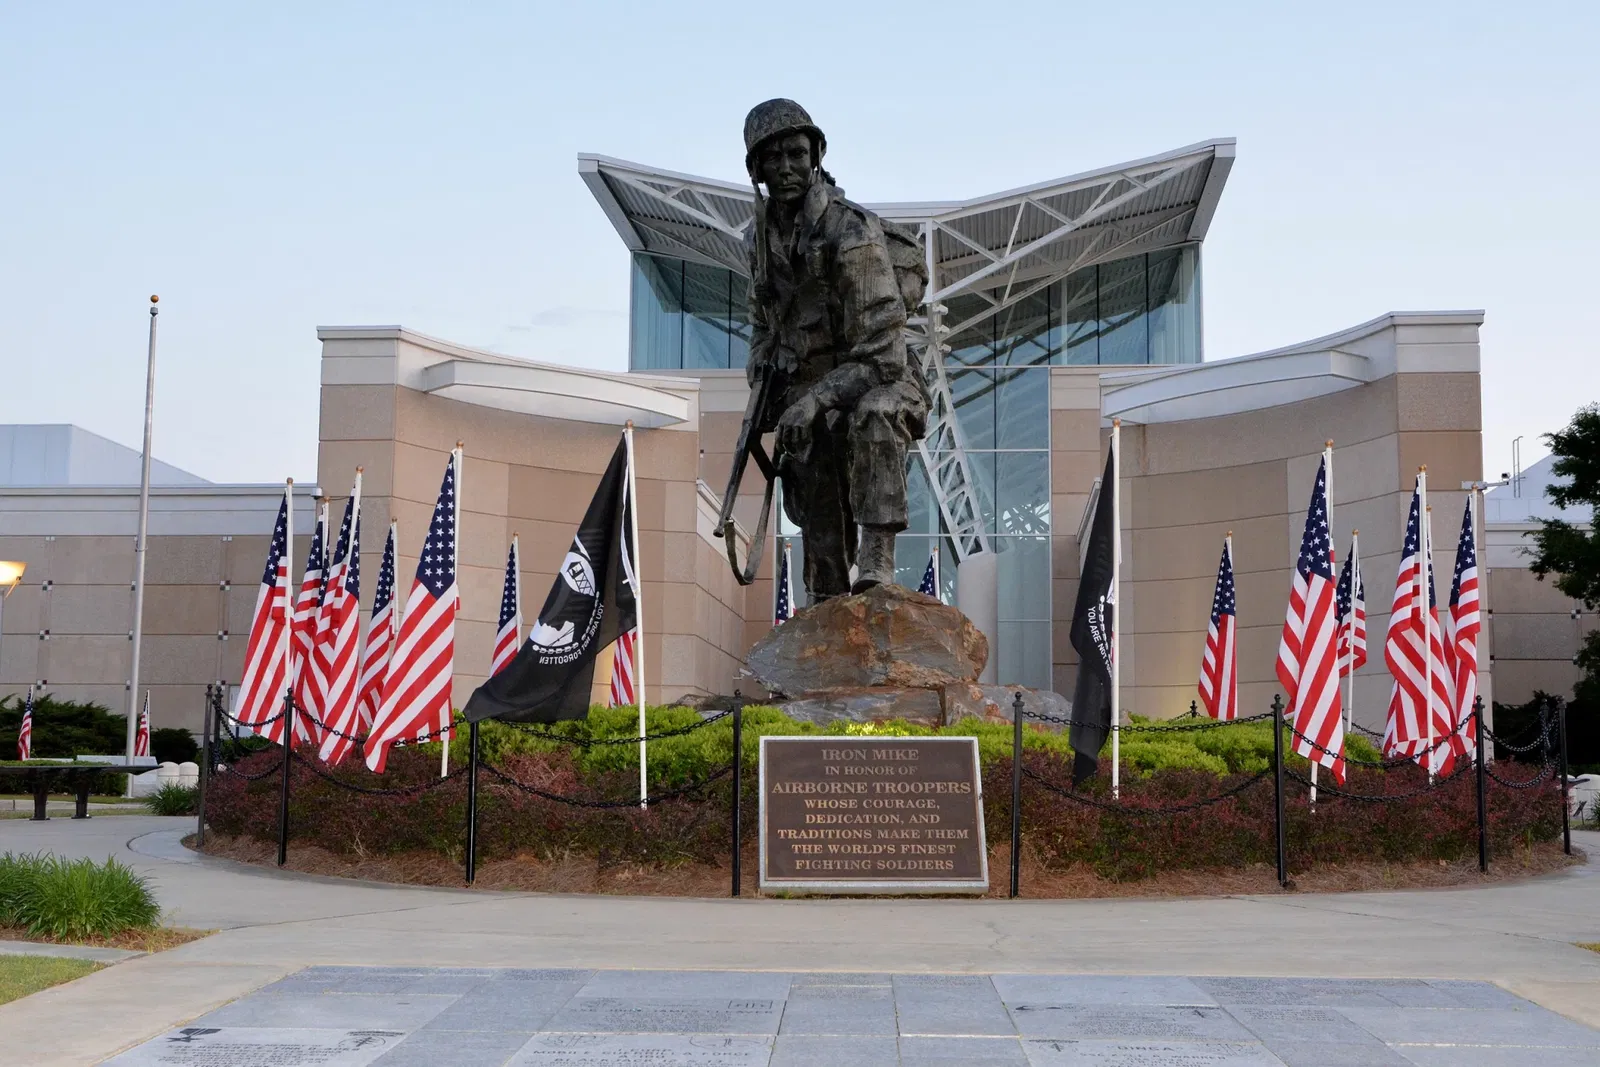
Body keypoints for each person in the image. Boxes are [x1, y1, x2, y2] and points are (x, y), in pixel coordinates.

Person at [742, 98, 928, 601]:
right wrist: (763, 371)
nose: (786, 168)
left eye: (796, 154)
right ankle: (825, 595)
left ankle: (876, 563)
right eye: (773, 157)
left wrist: (815, 399)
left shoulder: (850, 230)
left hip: (881, 377)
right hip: (812, 388)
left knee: (875, 415)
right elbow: (762, 323)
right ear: (756, 168)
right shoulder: (757, 242)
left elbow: (882, 354)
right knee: (809, 458)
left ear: (816, 156)